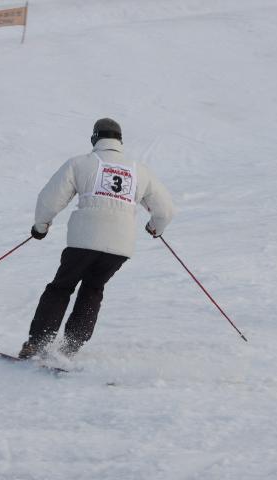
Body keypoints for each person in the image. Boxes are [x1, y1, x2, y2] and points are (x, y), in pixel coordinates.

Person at [19, 118, 174, 359]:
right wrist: (155, 228)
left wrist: (41, 226)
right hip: (120, 246)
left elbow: (51, 198)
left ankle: (37, 343)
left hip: (83, 240)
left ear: (95, 138)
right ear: (119, 140)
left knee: (61, 288)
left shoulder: (80, 163)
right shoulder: (140, 170)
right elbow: (165, 210)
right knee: (92, 288)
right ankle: (70, 348)